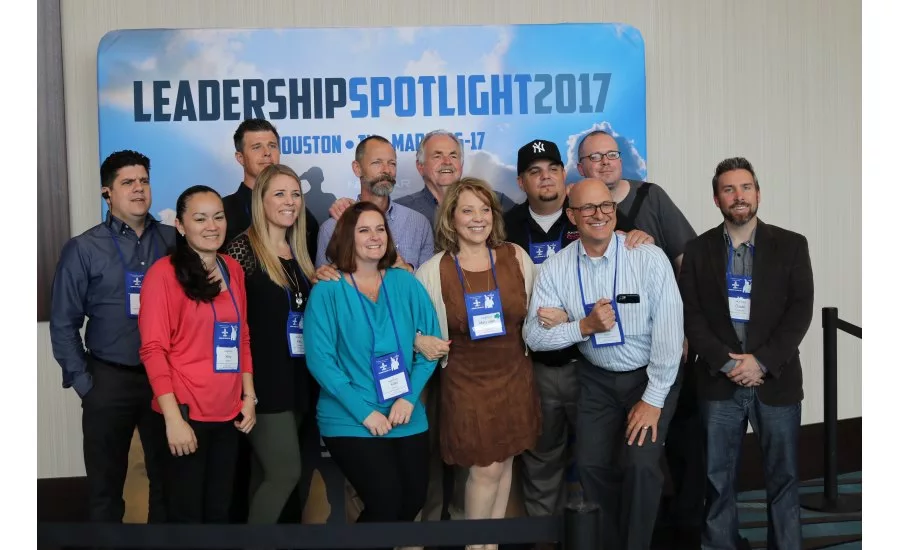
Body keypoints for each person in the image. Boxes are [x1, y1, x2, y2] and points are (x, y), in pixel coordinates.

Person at [523, 178, 684, 550]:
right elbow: (533, 335)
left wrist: (653, 399)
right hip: (596, 377)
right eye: (588, 209)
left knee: (641, 465)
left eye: (606, 207)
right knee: (591, 464)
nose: (599, 215)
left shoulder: (647, 257)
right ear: (571, 216)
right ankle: (612, 542)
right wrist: (583, 326)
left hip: (650, 375)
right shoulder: (555, 268)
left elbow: (669, 335)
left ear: (614, 210)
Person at [504, 140, 655, 530]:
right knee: (543, 459)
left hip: (592, 366)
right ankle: (547, 538)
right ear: (521, 181)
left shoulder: (595, 217)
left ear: (566, 176)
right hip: (536, 365)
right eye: (535, 172)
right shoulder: (505, 224)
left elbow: (619, 283)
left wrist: (570, 316)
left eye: (553, 168)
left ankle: (595, 536)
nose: (546, 177)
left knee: (597, 460)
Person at [678, 157, 814, 550]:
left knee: (784, 480)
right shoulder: (698, 249)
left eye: (746, 187)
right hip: (719, 384)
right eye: (729, 189)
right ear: (716, 199)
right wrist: (727, 363)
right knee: (718, 482)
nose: (739, 196)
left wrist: (762, 362)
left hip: (777, 380)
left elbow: (799, 310)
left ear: (758, 193)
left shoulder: (791, 244)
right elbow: (692, 315)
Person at [577, 129, 703, 542]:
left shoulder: (652, 199)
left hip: (659, 357)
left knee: (645, 461)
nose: (606, 162)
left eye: (611, 154)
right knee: (594, 463)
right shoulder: (579, 215)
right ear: (581, 170)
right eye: (595, 157)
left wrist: (679, 326)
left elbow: (688, 260)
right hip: (600, 363)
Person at [416, 177, 541, 550]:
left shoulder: (516, 257)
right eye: (467, 210)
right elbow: (410, 325)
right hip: (466, 383)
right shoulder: (433, 270)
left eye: (484, 209)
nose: (477, 218)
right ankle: (475, 546)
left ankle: (491, 545)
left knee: (504, 466)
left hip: (514, 376)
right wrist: (419, 339)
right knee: (485, 468)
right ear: (450, 218)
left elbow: (534, 314)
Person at [49, 150, 174, 524]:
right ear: (107, 193)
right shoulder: (83, 248)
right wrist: (87, 384)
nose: (139, 189)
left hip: (163, 382)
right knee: (105, 490)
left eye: (144, 181)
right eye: (128, 183)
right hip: (108, 379)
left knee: (167, 484)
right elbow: (63, 322)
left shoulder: (172, 241)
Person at [304, 202, 441, 534]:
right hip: (351, 417)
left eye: (380, 228)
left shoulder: (406, 283)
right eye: (364, 230)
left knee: (412, 501)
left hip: (404, 411)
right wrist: (364, 413)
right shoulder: (327, 290)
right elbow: (320, 361)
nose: (374, 236)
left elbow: (432, 345)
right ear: (347, 237)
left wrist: (408, 398)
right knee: (385, 501)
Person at [138, 185, 257, 524]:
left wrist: (248, 396)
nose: (212, 226)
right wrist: (173, 419)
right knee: (186, 517)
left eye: (218, 217)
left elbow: (242, 337)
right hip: (186, 414)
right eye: (200, 218)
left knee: (220, 512)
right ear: (180, 225)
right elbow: (153, 350)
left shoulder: (233, 268)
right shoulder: (163, 273)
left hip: (229, 413)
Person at [223, 164, 318, 524]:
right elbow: (228, 320)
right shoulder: (241, 251)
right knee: (284, 474)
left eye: (295, 194)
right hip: (262, 382)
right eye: (279, 194)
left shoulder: (300, 254)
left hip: (297, 378)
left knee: (267, 477)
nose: (290, 202)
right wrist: (245, 386)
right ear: (260, 200)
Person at [316, 135, 434, 272]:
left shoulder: (419, 223)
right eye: (377, 163)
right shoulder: (331, 227)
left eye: (392, 163)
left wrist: (409, 270)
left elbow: (428, 285)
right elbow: (324, 282)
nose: (386, 170)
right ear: (357, 168)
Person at [221, 118, 319, 253]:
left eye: (272, 145)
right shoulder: (223, 212)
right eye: (257, 147)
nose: (267, 152)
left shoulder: (301, 213)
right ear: (240, 157)